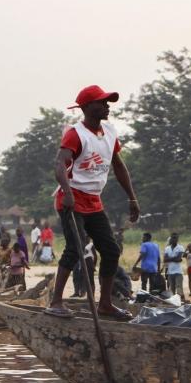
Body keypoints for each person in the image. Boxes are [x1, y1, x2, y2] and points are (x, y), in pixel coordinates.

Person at [45, 84, 139, 319]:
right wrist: (66, 192)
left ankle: (105, 304)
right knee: (75, 248)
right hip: (72, 198)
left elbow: (118, 165)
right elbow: (59, 164)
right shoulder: (75, 133)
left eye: (107, 102)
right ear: (87, 107)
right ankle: (55, 302)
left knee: (110, 250)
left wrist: (132, 198)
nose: (107, 106)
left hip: (94, 201)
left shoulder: (109, 132)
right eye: (102, 102)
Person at [164, 233, 185, 300]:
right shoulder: (167, 248)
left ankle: (181, 301)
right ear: (171, 239)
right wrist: (174, 258)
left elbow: (178, 259)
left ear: (177, 239)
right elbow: (165, 260)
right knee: (172, 289)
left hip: (178, 271)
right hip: (170, 271)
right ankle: (174, 303)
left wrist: (170, 258)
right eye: (173, 238)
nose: (174, 239)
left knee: (179, 288)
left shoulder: (180, 247)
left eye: (175, 238)